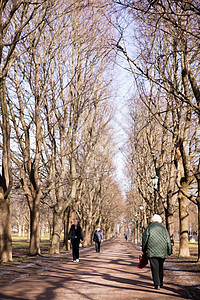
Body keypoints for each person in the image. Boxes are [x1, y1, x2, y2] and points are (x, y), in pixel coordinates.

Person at [142, 214, 172, 290]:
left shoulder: (149, 228)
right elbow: (168, 241)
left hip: (152, 251)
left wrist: (144, 249)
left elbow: (145, 240)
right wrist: (169, 251)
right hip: (162, 251)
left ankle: (157, 284)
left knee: (154, 268)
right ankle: (161, 282)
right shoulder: (164, 229)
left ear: (152, 220)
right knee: (160, 267)